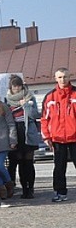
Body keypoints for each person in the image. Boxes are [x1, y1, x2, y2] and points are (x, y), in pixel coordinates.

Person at [41, 67, 76, 202]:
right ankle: (60, 192)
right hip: (57, 138)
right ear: (56, 78)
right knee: (59, 167)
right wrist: (46, 137)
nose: (63, 79)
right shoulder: (50, 97)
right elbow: (44, 119)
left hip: (75, 137)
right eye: (60, 77)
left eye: (65, 76)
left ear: (69, 77)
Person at [5, 75, 40, 198]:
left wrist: (26, 105)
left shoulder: (30, 97)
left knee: (28, 162)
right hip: (15, 132)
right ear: (11, 87)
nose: (17, 89)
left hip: (28, 131)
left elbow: (36, 115)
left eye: (19, 86)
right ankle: (24, 188)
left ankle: (30, 188)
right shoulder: (7, 99)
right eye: (14, 86)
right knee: (19, 161)